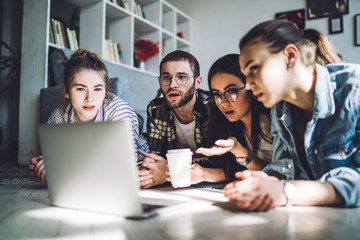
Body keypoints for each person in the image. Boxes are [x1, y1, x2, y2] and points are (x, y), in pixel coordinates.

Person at [225, 19, 360, 212]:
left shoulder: (354, 88)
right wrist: (263, 181)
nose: (247, 84)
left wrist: (286, 191)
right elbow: (284, 170)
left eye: (253, 68)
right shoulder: (280, 109)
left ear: (289, 56)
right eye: (245, 75)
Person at [29, 49, 148, 181]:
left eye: (97, 89)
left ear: (105, 91)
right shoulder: (60, 114)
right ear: (66, 91)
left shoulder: (118, 111)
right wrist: (44, 165)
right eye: (80, 89)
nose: (89, 98)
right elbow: (52, 154)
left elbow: (122, 163)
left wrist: (60, 166)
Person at [194, 54, 273, 184]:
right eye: (217, 94)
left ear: (250, 86)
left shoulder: (273, 121)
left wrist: (241, 152)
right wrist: (202, 174)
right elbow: (233, 171)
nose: (223, 103)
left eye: (231, 91)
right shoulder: (231, 127)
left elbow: (284, 175)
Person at [138, 50, 210, 189]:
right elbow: (155, 158)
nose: (172, 85)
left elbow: (218, 164)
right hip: (176, 186)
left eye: (182, 77)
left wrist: (167, 171)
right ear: (159, 81)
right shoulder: (156, 110)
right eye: (166, 77)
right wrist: (146, 173)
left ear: (197, 82)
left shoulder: (213, 108)